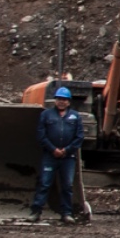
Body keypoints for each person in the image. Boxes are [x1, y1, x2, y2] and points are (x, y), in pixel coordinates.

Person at [31, 85, 86, 224]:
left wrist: (66, 150)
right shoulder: (46, 115)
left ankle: (66, 213)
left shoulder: (75, 116)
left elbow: (79, 137)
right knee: (44, 183)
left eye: (64, 99)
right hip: (50, 156)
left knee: (67, 186)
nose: (62, 102)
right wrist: (53, 149)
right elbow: (41, 135)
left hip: (68, 158)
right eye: (59, 99)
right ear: (55, 100)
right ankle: (36, 212)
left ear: (69, 101)